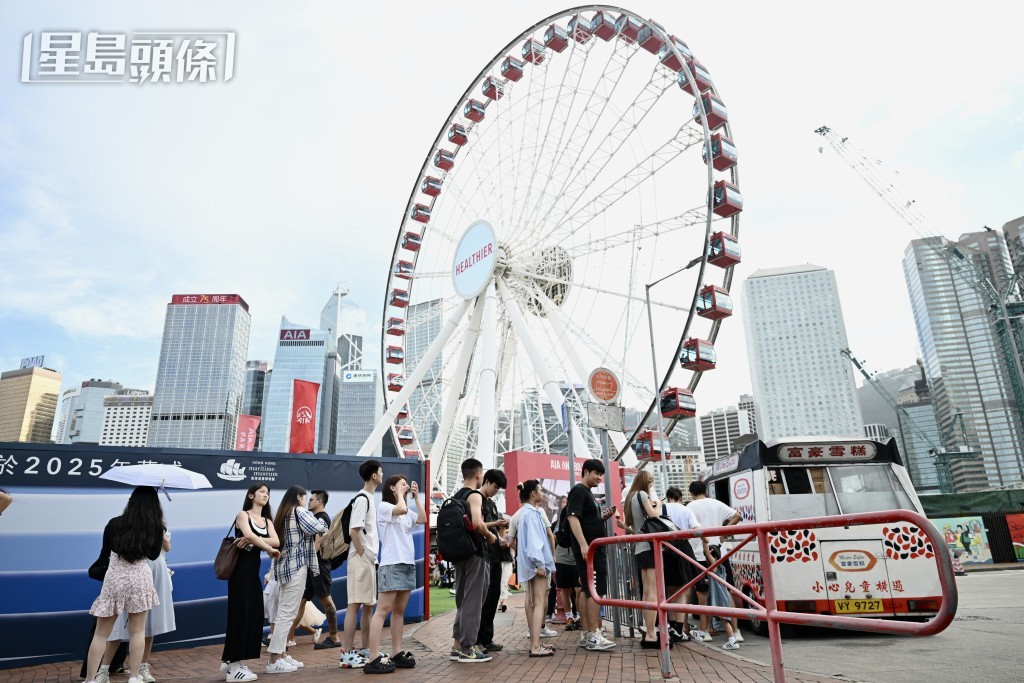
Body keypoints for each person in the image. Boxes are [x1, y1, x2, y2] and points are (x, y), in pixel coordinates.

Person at [84, 487, 165, 683]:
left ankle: (90, 679)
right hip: (140, 577)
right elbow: (153, 555)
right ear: (154, 504)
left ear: (131, 501)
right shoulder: (155, 527)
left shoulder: (114, 524)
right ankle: (135, 677)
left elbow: (105, 552)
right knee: (138, 631)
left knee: (101, 633)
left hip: (115, 577)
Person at [364, 474, 427, 674]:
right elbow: (399, 508)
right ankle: (373, 656)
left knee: (399, 610)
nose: (406, 487)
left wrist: (416, 498)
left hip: (407, 564)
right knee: (383, 610)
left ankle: (396, 651)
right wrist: (401, 494)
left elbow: (423, 519)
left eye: (407, 485)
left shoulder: (407, 511)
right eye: (402, 485)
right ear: (392, 488)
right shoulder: (384, 507)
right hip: (391, 565)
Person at [221, 485, 280, 681]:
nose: (266, 495)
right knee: (240, 615)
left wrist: (254, 540)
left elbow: (277, 541)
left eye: (268, 493)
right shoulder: (242, 515)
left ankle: (232, 660)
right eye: (262, 491)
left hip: (252, 573)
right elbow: (251, 535)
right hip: (239, 574)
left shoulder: (267, 520)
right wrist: (267, 548)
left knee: (252, 616)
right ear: (251, 495)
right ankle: (234, 667)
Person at [267, 486, 328, 674]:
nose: (306, 501)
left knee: (284, 612)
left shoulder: (283, 514)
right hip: (296, 568)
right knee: (287, 613)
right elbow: (319, 527)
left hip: (284, 568)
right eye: (305, 498)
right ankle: (274, 659)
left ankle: (282, 655)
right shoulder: (299, 511)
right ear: (299, 497)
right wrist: (323, 526)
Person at [106, 527, 175, 683]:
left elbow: (167, 548)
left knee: (149, 624)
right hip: (135, 574)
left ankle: (142, 668)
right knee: (119, 625)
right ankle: (103, 669)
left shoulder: (159, 527)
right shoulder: (128, 526)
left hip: (156, 573)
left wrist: (162, 534)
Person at [566, 459, 618, 651]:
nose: (599, 477)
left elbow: (585, 519)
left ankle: (588, 633)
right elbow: (573, 517)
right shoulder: (579, 491)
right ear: (585, 472)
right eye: (596, 473)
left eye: (601, 474)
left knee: (588, 589)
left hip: (591, 549)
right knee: (595, 590)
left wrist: (602, 518)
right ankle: (594, 634)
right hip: (591, 550)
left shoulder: (585, 492)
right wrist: (583, 545)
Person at [449, 458, 497, 664]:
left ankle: (457, 646)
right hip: (476, 553)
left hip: (459, 553)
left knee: (462, 600)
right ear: (479, 474)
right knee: (474, 601)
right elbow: (478, 523)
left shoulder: (455, 496)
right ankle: (468, 647)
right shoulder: (475, 495)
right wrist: (490, 536)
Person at [685, 481, 741, 642]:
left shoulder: (690, 507)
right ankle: (736, 631)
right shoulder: (716, 503)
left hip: (699, 554)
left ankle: (705, 631)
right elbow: (737, 516)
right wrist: (724, 534)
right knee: (726, 590)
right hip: (720, 553)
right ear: (705, 491)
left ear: (691, 493)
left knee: (703, 593)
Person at [341, 460, 383, 669]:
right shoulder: (362, 499)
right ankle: (348, 653)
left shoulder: (369, 499)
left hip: (368, 558)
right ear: (374, 475)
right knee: (355, 604)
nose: (382, 474)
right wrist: (363, 553)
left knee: (368, 605)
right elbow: (353, 530)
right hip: (361, 558)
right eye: (380, 471)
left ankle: (366, 648)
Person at [289, 490, 340, 650]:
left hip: (319, 566)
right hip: (313, 566)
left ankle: (334, 637)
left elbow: (318, 544)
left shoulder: (322, 518)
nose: (308, 502)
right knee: (301, 601)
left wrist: (303, 561)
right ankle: (287, 638)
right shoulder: (314, 518)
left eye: (311, 500)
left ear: (319, 502)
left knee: (326, 600)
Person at [515, 480, 556, 658]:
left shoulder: (524, 513)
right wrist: (540, 564)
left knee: (532, 602)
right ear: (532, 493)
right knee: (539, 602)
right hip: (536, 564)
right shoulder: (532, 514)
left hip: (528, 564)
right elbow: (534, 542)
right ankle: (535, 646)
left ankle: (535, 642)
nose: (542, 493)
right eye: (539, 490)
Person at [664, 486, 707, 639]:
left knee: (669, 591)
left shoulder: (661, 508)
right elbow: (697, 528)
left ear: (667, 497)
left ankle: (670, 627)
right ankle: (679, 629)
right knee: (683, 590)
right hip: (683, 548)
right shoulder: (686, 509)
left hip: (665, 549)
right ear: (680, 497)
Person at [476, 469, 510, 654]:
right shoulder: (476, 499)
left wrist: (501, 537)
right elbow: (477, 524)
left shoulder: (492, 504)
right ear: (486, 481)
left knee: (494, 596)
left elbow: (494, 529)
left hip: (495, 554)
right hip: (483, 555)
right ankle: (478, 639)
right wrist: (496, 524)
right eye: (495, 486)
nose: (496, 490)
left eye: (499, 488)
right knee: (484, 597)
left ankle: (487, 638)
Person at [552, 500, 580, 630]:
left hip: (575, 558)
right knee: (564, 588)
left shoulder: (579, 517)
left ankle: (578, 616)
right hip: (563, 558)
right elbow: (554, 536)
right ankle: (570, 616)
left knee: (578, 589)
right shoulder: (561, 519)